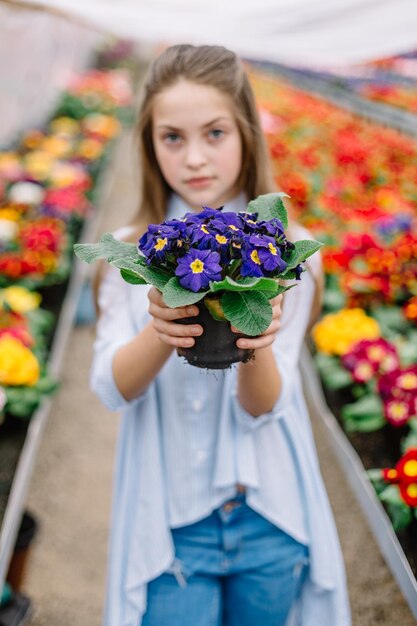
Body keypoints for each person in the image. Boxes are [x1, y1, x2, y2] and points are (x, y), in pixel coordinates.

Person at [91, 44, 351, 626]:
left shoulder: (284, 255)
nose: (194, 159)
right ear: (149, 144)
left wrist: (257, 333)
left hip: (270, 518)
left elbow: (267, 406)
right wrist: (163, 323)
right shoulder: (134, 252)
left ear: (247, 135)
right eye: (172, 138)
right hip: (173, 526)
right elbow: (109, 388)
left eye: (214, 133)